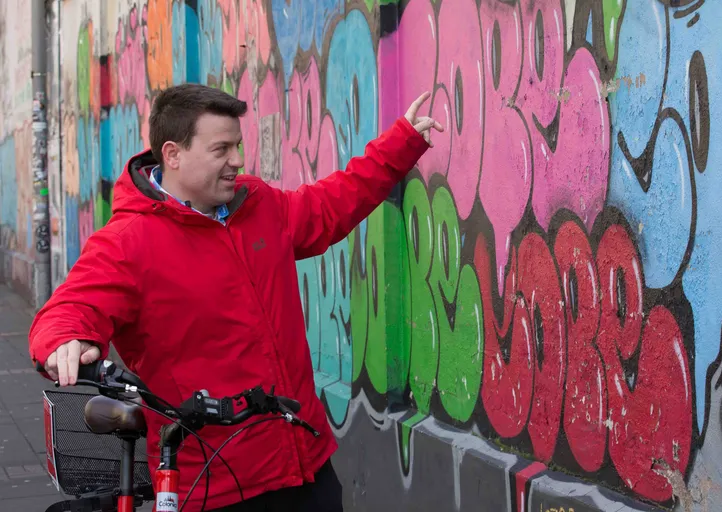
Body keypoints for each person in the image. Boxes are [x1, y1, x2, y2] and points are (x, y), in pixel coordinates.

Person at [28, 83, 443, 511]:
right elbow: (71, 308)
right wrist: (66, 339)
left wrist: (400, 145)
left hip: (304, 464)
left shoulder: (257, 204)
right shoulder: (128, 243)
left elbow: (328, 207)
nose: (238, 160)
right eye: (221, 149)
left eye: (238, 145)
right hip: (215, 484)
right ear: (172, 155)